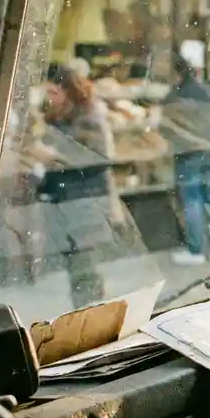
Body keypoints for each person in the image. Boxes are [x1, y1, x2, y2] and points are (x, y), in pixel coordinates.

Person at [33, 65, 119, 308]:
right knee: (77, 268)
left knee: (84, 268)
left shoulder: (88, 118)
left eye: (53, 91)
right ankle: (88, 311)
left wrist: (54, 157)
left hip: (85, 202)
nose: (49, 97)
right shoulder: (57, 116)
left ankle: (90, 317)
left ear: (67, 90)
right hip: (65, 202)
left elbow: (97, 159)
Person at [162, 54, 210, 265]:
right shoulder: (209, 92)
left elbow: (166, 127)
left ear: (176, 73)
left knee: (192, 202)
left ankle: (196, 251)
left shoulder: (175, 96)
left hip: (189, 157)